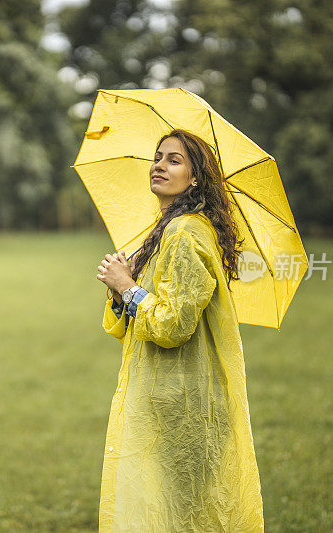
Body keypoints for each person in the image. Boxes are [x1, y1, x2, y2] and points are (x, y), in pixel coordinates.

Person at [94, 129, 264, 532]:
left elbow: (173, 324)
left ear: (194, 179)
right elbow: (137, 323)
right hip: (166, 397)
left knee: (185, 517)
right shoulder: (166, 230)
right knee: (169, 513)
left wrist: (127, 287)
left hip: (186, 403)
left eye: (174, 160)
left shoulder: (185, 232)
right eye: (157, 157)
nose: (159, 165)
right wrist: (124, 289)